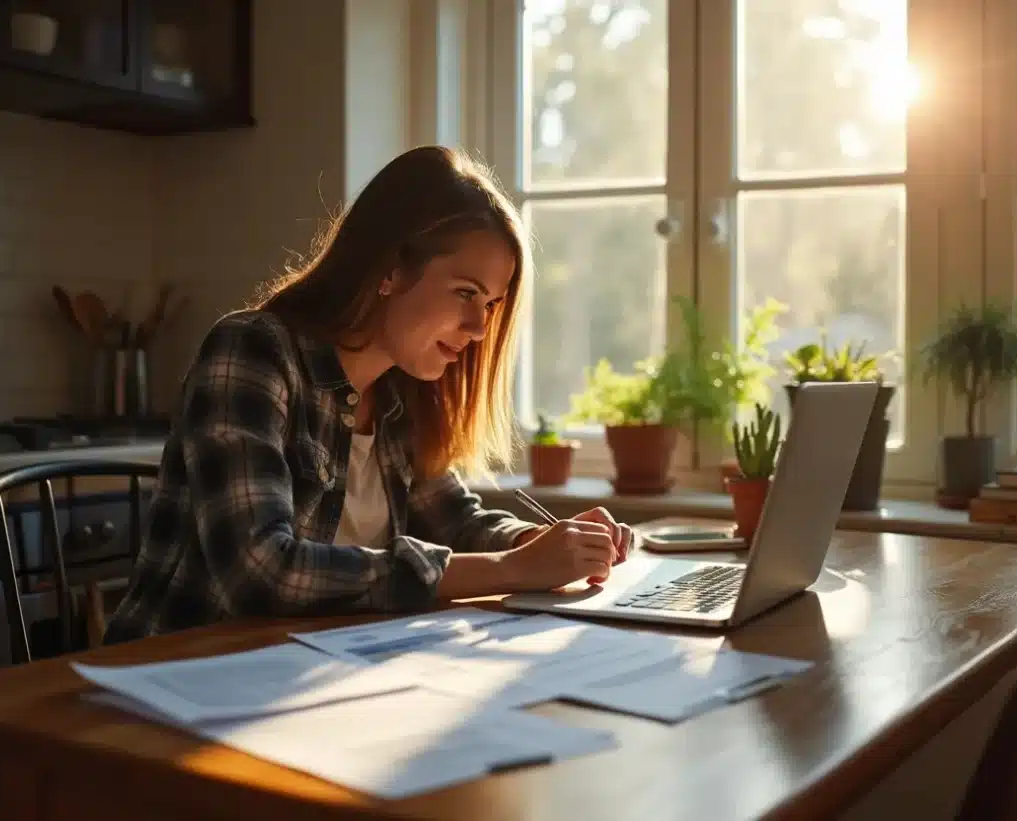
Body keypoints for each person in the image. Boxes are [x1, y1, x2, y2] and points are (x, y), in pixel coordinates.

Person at [103, 146, 632, 644]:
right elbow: (260, 570)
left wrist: (547, 545)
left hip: (308, 671)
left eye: (490, 304)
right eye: (466, 293)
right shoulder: (252, 352)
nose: (477, 328)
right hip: (176, 675)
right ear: (390, 270)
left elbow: (458, 522)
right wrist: (510, 569)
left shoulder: (401, 391)